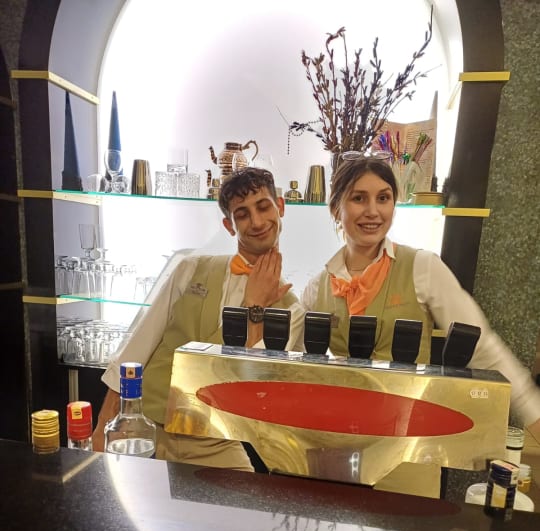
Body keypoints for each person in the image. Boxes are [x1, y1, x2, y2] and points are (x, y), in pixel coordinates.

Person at [301, 156, 540, 441]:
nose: (373, 211)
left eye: (383, 198)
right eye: (358, 198)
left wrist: (533, 412)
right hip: (338, 433)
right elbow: (295, 366)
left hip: (408, 435)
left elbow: (482, 345)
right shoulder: (317, 287)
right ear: (335, 208)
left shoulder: (422, 268)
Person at [93, 167, 304, 469]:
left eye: (263, 207)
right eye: (242, 214)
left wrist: (255, 305)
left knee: (242, 499)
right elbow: (136, 348)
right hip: (147, 430)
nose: (257, 222)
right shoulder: (190, 268)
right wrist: (103, 426)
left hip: (215, 440)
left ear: (280, 207)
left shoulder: (293, 311)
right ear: (229, 226)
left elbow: (249, 381)